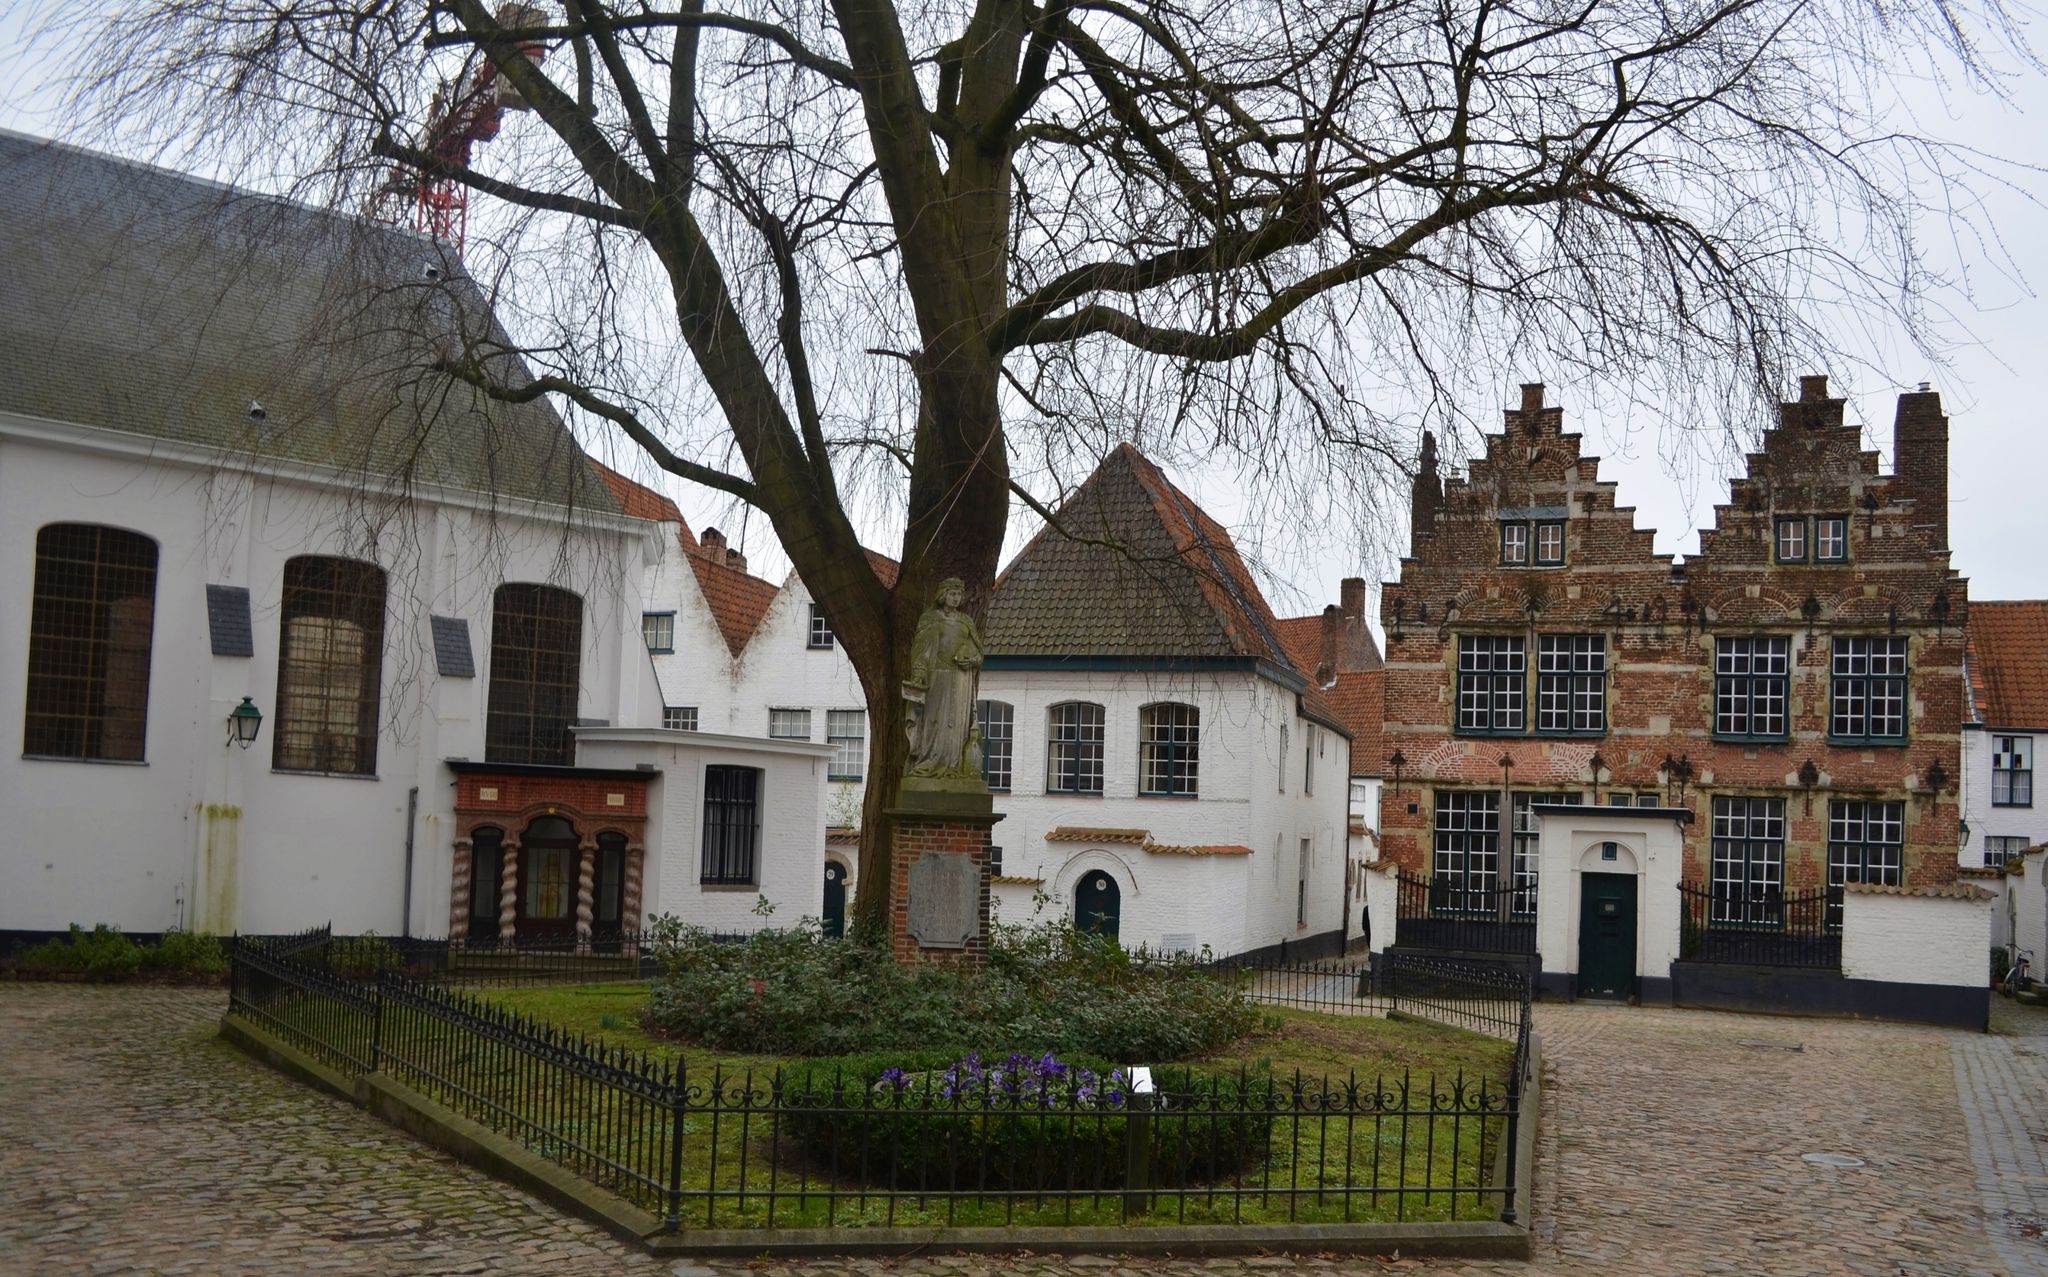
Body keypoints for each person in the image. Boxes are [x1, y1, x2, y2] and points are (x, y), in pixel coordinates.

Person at [903, 577, 984, 779]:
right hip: (936, 677)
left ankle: (953, 765)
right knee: (933, 720)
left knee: (956, 723)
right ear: (943, 595)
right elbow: (921, 651)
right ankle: (927, 761)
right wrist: (920, 673)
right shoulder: (930, 619)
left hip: (960, 679)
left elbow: (978, 652)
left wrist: (972, 659)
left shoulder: (966, 621)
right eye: (952, 594)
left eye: (959, 595)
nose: (956, 599)